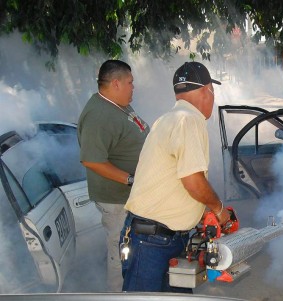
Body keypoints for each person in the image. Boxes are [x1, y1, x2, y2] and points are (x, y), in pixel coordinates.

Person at [120, 61, 230, 292]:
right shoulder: (187, 120)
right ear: (206, 90)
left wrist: (200, 214)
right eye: (213, 91)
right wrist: (218, 210)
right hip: (152, 242)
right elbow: (192, 181)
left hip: (159, 238)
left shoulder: (170, 118)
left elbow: (174, 180)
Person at [77, 59, 150, 292]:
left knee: (134, 250)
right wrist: (130, 179)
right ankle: (117, 295)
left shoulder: (118, 104)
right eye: (130, 82)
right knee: (120, 253)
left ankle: (135, 291)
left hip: (130, 197)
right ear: (116, 83)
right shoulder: (98, 115)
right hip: (116, 200)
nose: (133, 87)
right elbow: (91, 160)